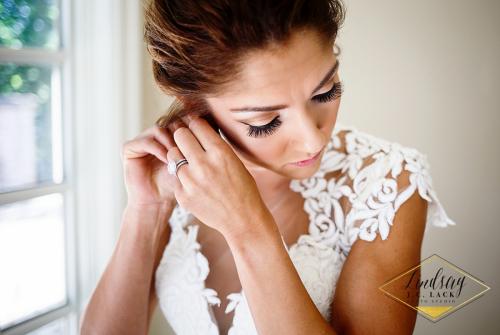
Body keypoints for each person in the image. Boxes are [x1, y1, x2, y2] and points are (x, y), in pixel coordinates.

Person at [80, 0, 456, 334]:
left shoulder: (388, 180)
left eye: (326, 92)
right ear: (196, 107)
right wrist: (147, 209)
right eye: (265, 121)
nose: (312, 139)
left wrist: (249, 228)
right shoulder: (179, 181)